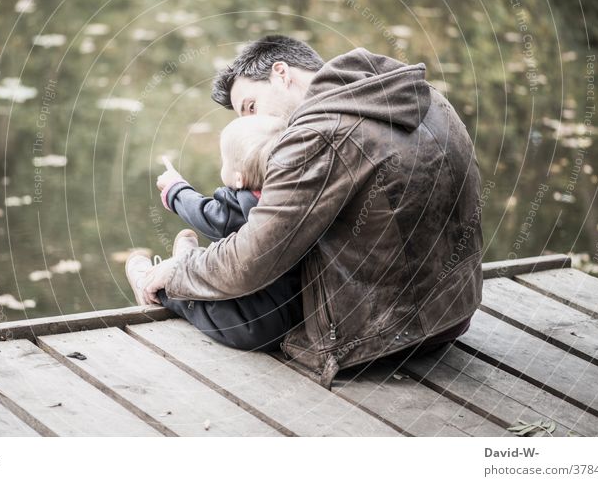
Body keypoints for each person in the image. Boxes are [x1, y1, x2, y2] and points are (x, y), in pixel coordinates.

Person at [138, 34, 483, 388]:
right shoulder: (424, 97)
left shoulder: (312, 138)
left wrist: (181, 271)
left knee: (251, 303)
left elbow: (249, 261)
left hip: (375, 343)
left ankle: (164, 275)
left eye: (251, 106)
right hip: (452, 316)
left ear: (281, 73)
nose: (251, 124)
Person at [124, 115, 303, 352]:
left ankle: (149, 283)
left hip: (253, 324)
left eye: (224, 161)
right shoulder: (294, 199)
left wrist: (175, 189)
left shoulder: (242, 205)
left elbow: (207, 215)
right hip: (296, 314)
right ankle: (187, 260)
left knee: (203, 306)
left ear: (239, 177)